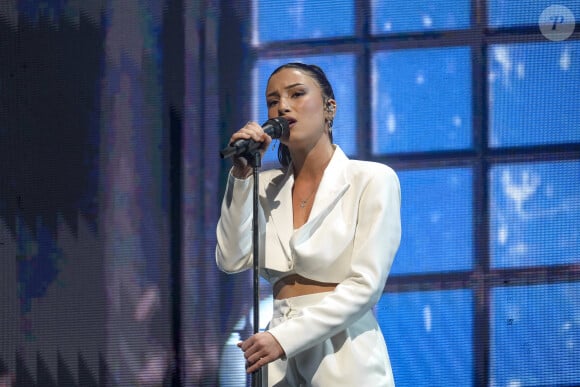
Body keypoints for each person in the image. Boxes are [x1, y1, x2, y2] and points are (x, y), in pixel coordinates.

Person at [216, 62, 401, 386]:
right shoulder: (263, 184)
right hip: (277, 359)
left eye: (297, 94)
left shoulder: (371, 179)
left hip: (344, 351)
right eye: (272, 101)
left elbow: (366, 285)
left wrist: (285, 338)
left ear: (330, 108)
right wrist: (242, 176)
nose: (282, 107)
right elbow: (231, 259)